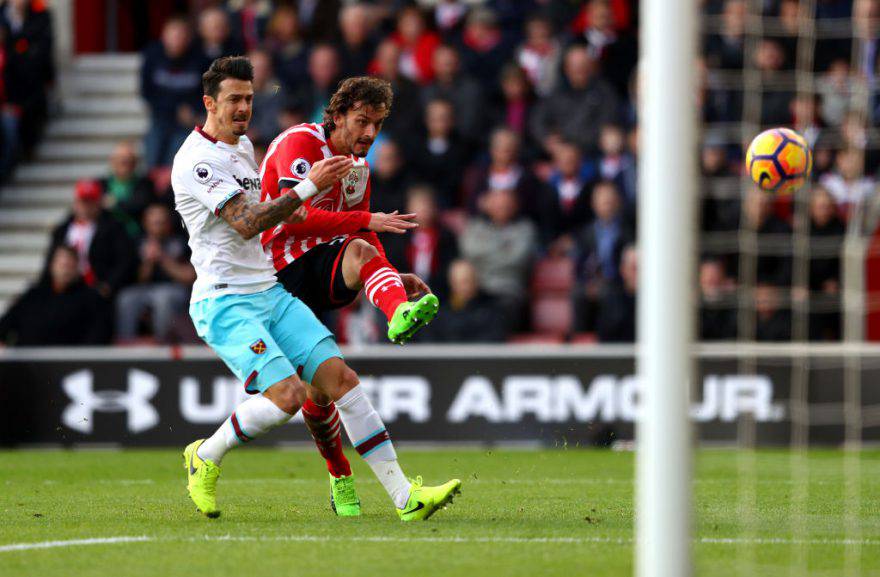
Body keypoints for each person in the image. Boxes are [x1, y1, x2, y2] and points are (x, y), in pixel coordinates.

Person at [175, 57, 459, 521]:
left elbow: (304, 221)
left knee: (341, 382)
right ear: (209, 102)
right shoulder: (195, 161)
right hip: (224, 298)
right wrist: (309, 188)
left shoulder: (243, 147)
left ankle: (406, 497)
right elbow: (248, 223)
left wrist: (383, 275)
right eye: (234, 99)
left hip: (268, 290)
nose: (244, 107)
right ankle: (204, 455)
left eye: (249, 97)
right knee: (289, 396)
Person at [259, 77, 445, 511]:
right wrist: (366, 218)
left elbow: (362, 234)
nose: (369, 133)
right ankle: (339, 474)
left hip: (319, 265)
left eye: (377, 124)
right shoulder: (300, 144)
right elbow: (295, 216)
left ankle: (399, 313)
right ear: (336, 115)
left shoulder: (357, 167)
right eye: (362, 121)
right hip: (274, 276)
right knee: (319, 393)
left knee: (362, 250)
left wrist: (393, 279)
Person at [115, 204, 195, 343]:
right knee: (126, 298)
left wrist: (162, 257)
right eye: (154, 223)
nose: (158, 227)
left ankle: (162, 343)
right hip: (145, 289)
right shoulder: (138, 243)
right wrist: (148, 262)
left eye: (161, 222)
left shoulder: (181, 242)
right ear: (145, 224)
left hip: (176, 288)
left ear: (168, 223)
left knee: (163, 298)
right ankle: (126, 343)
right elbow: (139, 279)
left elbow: (188, 277)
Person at [0, 245, 110, 346]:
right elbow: (7, 322)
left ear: (77, 268)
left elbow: (98, 337)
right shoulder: (33, 295)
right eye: (61, 264)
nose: (65, 270)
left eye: (69, 265)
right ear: (52, 265)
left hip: (70, 363)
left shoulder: (91, 299)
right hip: (26, 363)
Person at [46, 180, 137, 299]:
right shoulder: (62, 230)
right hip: (66, 286)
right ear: (75, 203)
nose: (86, 206)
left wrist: (109, 285)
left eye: (91, 201)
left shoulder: (114, 228)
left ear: (99, 202)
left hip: (97, 288)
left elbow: (125, 260)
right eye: (83, 201)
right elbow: (51, 260)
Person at [140, 17, 204, 168]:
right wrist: (174, 108)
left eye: (181, 36)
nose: (177, 40)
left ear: (188, 39)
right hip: (160, 118)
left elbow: (206, 91)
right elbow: (146, 92)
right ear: (164, 36)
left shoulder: (200, 60)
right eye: (174, 35)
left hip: (187, 123)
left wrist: (194, 111)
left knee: (177, 164)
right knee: (152, 161)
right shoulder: (152, 56)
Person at [99, 141, 155, 237]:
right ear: (113, 161)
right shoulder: (101, 185)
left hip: (135, 235)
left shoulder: (144, 184)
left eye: (129, 161)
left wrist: (115, 203)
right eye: (122, 161)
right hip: (107, 235)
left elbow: (139, 205)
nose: (126, 165)